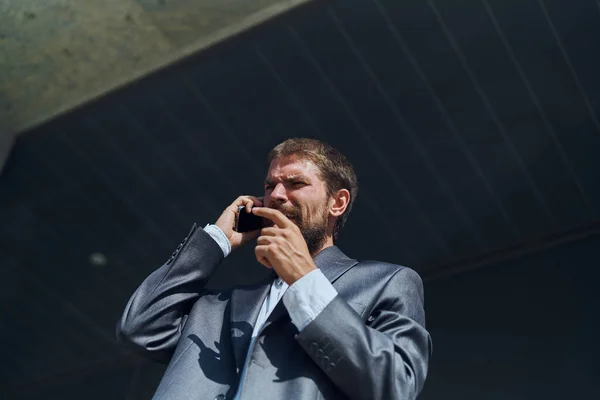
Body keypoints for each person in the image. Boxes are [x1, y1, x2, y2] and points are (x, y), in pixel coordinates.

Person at [116, 138, 432, 400]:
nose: (277, 195)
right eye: (270, 185)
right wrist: (217, 239)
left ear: (337, 203)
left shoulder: (386, 282)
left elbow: (395, 386)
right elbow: (140, 328)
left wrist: (304, 279)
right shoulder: (216, 309)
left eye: (296, 183)